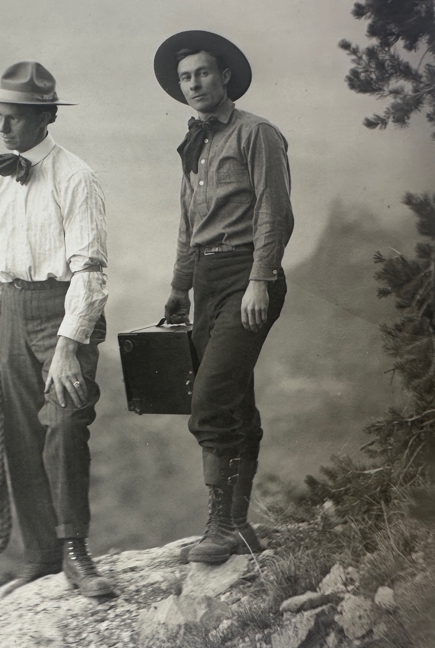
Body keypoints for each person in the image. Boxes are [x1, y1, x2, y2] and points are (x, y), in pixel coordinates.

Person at [0, 61, 113, 596]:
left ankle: (75, 550)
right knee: (18, 431)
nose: (3, 128)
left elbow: (92, 270)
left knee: (67, 422)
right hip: (10, 309)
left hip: (62, 311)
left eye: (14, 118)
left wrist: (68, 346)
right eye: (1, 117)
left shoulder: (76, 177)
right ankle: (41, 555)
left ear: (45, 117)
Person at [153, 31, 294, 564]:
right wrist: (177, 288)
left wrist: (261, 278)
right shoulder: (194, 144)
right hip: (208, 280)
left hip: (247, 276)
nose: (194, 84)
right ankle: (236, 526)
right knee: (232, 397)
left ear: (225, 76)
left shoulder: (257, 134)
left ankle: (224, 524)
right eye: (186, 77)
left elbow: (273, 212)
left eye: (203, 74)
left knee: (209, 396)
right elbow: (189, 224)